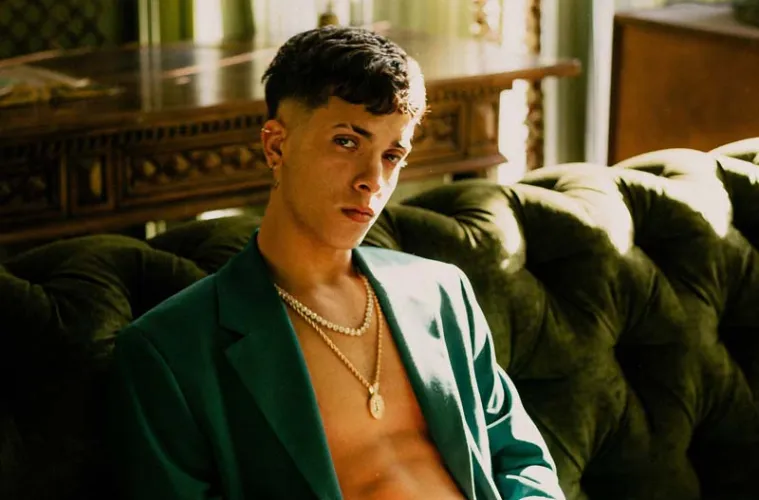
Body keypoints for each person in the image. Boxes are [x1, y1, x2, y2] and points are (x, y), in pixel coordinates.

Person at [108, 25, 564, 500]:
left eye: (392, 155)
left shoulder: (441, 292)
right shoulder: (169, 351)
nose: (373, 179)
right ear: (276, 146)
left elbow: (521, 459)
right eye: (347, 142)